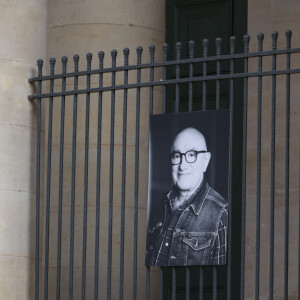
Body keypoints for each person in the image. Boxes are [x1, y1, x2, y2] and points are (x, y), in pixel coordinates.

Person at [145, 127, 228, 266]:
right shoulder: (162, 203)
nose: (182, 166)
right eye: (177, 156)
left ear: (205, 161)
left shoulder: (221, 215)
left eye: (191, 155)